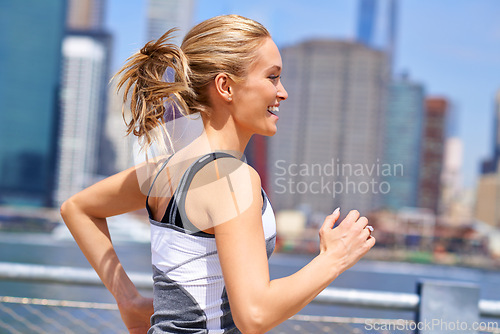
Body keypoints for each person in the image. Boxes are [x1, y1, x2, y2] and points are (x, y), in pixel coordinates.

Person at [60, 14, 375, 334]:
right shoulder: (230, 178)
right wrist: (333, 258)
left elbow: (78, 208)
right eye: (273, 77)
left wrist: (128, 301)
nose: (283, 93)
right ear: (225, 86)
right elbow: (254, 315)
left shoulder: (165, 170)